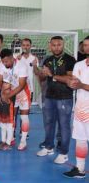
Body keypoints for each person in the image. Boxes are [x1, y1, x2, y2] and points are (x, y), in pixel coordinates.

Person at [36, 36, 76, 164]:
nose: (56, 47)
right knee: (48, 123)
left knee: (64, 126)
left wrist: (52, 75)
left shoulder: (70, 59)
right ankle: (48, 147)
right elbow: (43, 78)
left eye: (59, 44)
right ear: (50, 46)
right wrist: (40, 71)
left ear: (63, 45)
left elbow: (70, 79)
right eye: (54, 45)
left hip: (64, 97)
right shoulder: (48, 59)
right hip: (50, 96)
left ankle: (64, 153)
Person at [62, 35, 89, 179]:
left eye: (88, 44)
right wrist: (71, 84)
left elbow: (81, 85)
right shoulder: (78, 65)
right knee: (80, 139)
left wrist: (81, 85)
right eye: (85, 45)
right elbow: (74, 83)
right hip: (80, 109)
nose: (86, 47)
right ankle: (80, 168)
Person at [0, 48, 30, 151]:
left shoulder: (21, 66)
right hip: (10, 93)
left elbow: (21, 85)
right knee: (12, 117)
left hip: (23, 93)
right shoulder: (2, 65)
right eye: (3, 62)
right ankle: (9, 139)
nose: (5, 63)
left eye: (6, 61)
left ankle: (23, 141)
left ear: (12, 58)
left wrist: (7, 95)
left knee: (24, 117)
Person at [15, 38, 38, 140]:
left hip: (29, 89)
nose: (25, 47)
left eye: (27, 45)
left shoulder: (34, 58)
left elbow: (37, 73)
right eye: (23, 45)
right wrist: (17, 60)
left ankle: (23, 132)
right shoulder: (16, 57)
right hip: (16, 89)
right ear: (21, 46)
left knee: (25, 113)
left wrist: (35, 66)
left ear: (30, 46)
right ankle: (12, 132)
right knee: (14, 112)